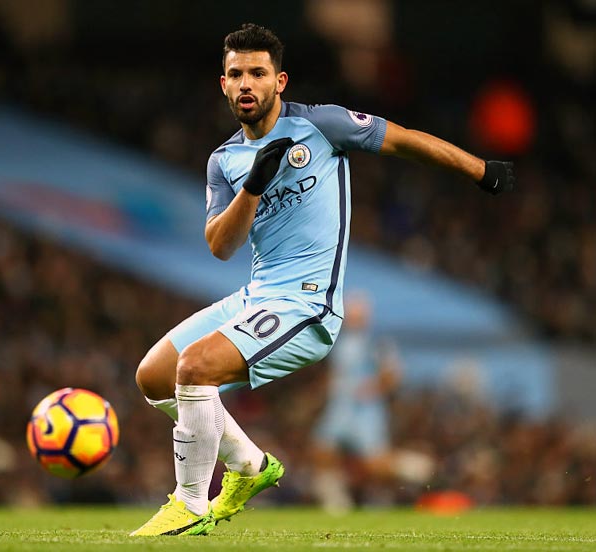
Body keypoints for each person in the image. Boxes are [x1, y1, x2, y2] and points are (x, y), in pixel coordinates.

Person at [131, 23, 515, 537]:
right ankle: (248, 466)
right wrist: (253, 188)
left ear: (280, 81)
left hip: (309, 305)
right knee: (154, 375)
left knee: (196, 366)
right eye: (236, 74)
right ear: (222, 84)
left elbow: (403, 141)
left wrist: (479, 169)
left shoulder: (323, 126)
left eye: (258, 73)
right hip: (256, 295)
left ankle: (190, 503)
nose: (247, 83)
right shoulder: (223, 161)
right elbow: (220, 246)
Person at [311, 293, 433, 512]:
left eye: (358, 314)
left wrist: (373, 388)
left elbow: (393, 373)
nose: (353, 318)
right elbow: (335, 372)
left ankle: (413, 466)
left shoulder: (376, 341)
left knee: (374, 464)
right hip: (340, 406)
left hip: (365, 410)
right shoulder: (337, 338)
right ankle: (336, 502)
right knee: (321, 449)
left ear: (366, 316)